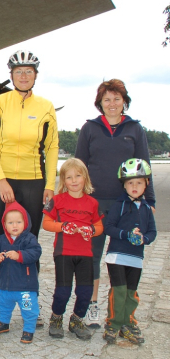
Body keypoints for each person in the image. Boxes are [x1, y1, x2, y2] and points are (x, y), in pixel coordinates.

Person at [0, 50, 59, 325]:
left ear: (35, 75)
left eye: (29, 71)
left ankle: (27, 302)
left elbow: (52, 147)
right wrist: (0, 179)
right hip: (0, 178)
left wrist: (49, 184)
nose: (23, 76)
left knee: (27, 242)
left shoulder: (45, 106)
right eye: (18, 71)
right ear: (11, 75)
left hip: (33, 180)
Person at [75, 79, 155, 328]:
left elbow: (144, 166)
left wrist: (149, 199)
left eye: (116, 99)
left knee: (122, 257)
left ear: (124, 102)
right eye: (107, 99)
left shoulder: (135, 129)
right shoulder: (90, 128)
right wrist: (76, 198)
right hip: (95, 203)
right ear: (100, 103)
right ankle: (92, 306)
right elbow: (79, 165)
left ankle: (121, 308)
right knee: (93, 257)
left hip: (126, 204)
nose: (112, 104)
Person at [42, 158, 104, 340]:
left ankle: (77, 319)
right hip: (63, 253)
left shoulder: (92, 203)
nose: (74, 180)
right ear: (63, 180)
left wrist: (91, 230)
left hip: (85, 254)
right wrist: (62, 226)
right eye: (69, 177)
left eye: (78, 176)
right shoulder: (57, 200)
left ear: (85, 178)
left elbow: (99, 227)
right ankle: (56, 318)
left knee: (85, 291)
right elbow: (46, 224)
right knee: (63, 290)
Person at [102, 159, 156, 345]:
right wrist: (125, 234)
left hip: (136, 258)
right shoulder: (120, 205)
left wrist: (144, 239)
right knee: (119, 290)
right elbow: (108, 227)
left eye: (139, 182)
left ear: (146, 184)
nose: (134, 186)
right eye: (130, 183)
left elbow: (152, 232)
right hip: (117, 256)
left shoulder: (147, 208)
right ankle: (113, 323)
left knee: (131, 292)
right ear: (124, 185)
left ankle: (127, 323)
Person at [0, 201, 41, 344]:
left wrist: (20, 255)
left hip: (26, 286)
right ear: (4, 224)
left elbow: (36, 252)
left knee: (29, 309)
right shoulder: (1, 239)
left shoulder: (30, 238)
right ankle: (3, 322)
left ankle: (29, 329)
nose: (15, 225)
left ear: (25, 222)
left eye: (18, 222)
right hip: (6, 284)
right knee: (2, 304)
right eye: (10, 223)